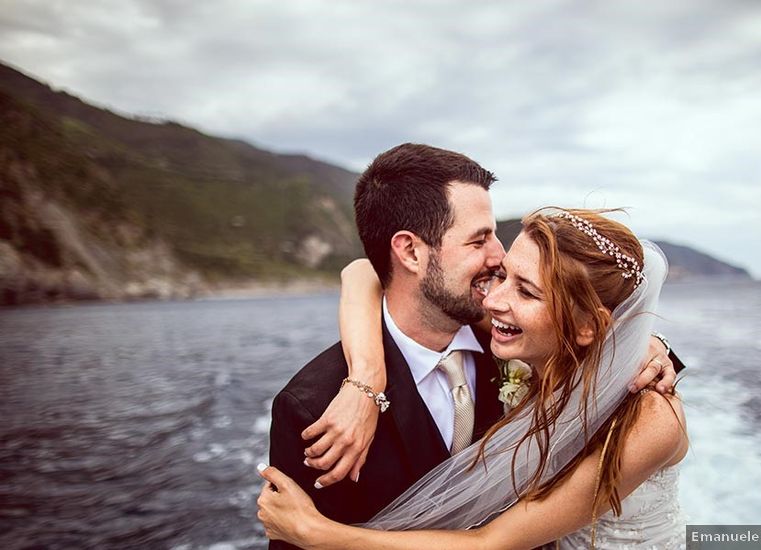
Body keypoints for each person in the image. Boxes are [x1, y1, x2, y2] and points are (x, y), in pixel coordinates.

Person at [267, 144, 679, 548]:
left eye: (526, 289)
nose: (498, 260)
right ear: (409, 250)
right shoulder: (314, 407)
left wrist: (316, 536)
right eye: (479, 239)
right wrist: (366, 376)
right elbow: (361, 272)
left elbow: (493, 541)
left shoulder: (512, 340)